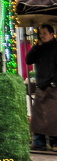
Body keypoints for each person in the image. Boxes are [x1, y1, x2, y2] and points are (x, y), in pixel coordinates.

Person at [27, 24, 57, 152]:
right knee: (38, 116)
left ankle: (55, 142)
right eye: (40, 33)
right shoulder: (40, 47)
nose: (42, 36)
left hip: (53, 86)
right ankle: (39, 142)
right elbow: (28, 60)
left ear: (51, 34)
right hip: (41, 85)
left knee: (53, 117)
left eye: (44, 33)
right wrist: (36, 47)